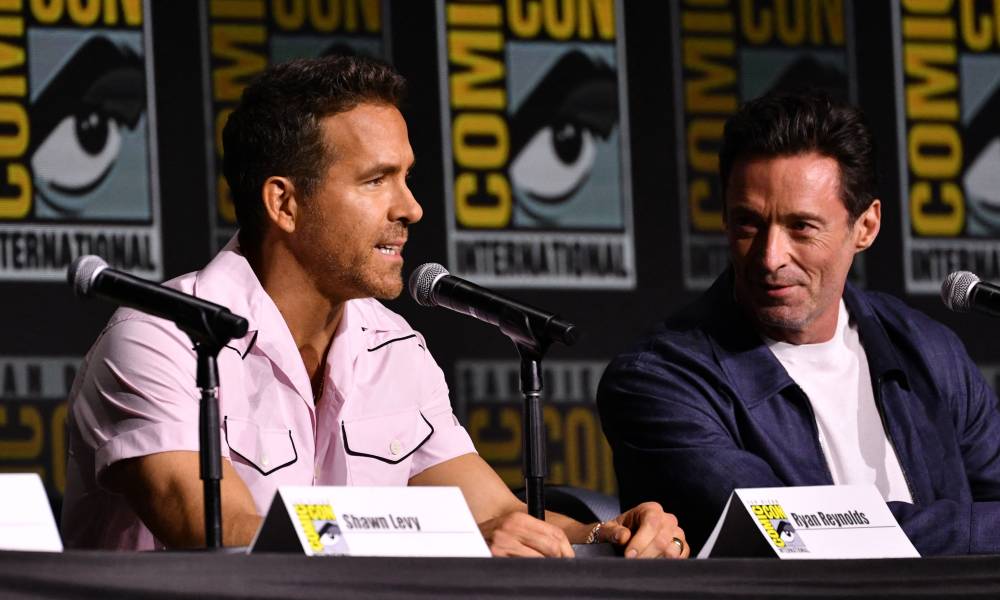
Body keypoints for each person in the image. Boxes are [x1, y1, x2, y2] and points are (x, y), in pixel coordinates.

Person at [61, 55, 687, 558]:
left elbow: (496, 516)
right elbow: (217, 531)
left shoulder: (394, 347)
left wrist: (608, 537)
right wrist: (453, 544)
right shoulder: (159, 338)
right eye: (375, 180)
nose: (411, 208)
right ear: (285, 203)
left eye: (406, 177)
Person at [597, 90, 1000, 556]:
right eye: (748, 224)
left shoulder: (930, 352)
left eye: (802, 228)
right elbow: (792, 534)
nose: (770, 258)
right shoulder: (658, 380)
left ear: (865, 227)